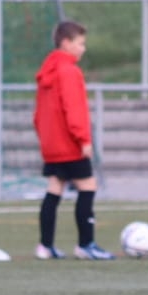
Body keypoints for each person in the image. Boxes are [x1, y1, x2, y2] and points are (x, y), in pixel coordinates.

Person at [33, 19, 114, 261]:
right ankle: (86, 244)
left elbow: (38, 114)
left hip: (51, 144)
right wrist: (83, 139)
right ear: (66, 43)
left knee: (54, 188)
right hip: (69, 143)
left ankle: (45, 246)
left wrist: (46, 139)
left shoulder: (46, 71)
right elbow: (74, 109)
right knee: (88, 186)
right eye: (80, 43)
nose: (83, 49)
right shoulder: (69, 71)